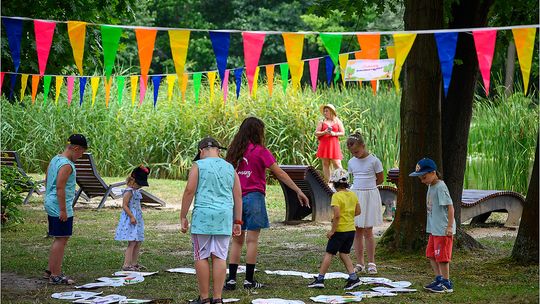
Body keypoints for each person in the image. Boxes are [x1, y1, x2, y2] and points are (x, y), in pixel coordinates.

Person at [224, 117, 310, 290]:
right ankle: (249, 280)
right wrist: (298, 190)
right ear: (258, 132)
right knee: (252, 241)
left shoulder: (233, 151)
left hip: (235, 199)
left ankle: (231, 280)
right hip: (255, 198)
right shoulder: (261, 151)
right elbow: (280, 173)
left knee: (237, 241)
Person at [180, 136, 243, 304]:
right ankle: (218, 298)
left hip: (203, 218)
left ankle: (204, 298)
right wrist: (238, 221)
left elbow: (189, 191)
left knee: (201, 256)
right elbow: (238, 195)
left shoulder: (198, 165)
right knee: (220, 257)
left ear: (201, 151)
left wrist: (183, 216)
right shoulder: (230, 167)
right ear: (218, 150)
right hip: (224, 218)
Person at [43, 134, 88, 284]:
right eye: (81, 152)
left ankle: (50, 269)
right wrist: (63, 210)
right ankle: (55, 275)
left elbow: (47, 178)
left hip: (51, 202)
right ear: (75, 148)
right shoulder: (67, 165)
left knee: (60, 237)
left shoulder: (55, 159)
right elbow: (60, 188)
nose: (81, 156)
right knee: (61, 239)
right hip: (59, 206)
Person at [308, 168, 361, 290]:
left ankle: (320, 279)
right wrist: (348, 215)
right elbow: (358, 211)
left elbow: (336, 215)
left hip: (340, 231)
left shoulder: (336, 196)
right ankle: (353, 278)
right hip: (351, 230)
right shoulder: (352, 195)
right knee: (344, 254)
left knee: (329, 253)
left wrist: (332, 230)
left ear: (335, 182)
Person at [409, 158, 455, 293]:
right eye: (420, 179)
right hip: (434, 229)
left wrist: (449, 227)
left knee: (442, 257)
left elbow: (450, 207)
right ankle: (439, 279)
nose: (422, 181)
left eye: (424, 177)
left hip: (442, 229)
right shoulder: (431, 186)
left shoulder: (440, 187)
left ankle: (446, 283)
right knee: (431, 254)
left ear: (433, 172)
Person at [346, 132, 383, 275]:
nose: (355, 154)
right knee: (357, 231)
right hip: (356, 195)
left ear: (363, 145)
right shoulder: (351, 162)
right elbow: (353, 178)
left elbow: (379, 179)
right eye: (352, 152)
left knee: (368, 230)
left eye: (357, 151)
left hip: (370, 195)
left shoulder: (374, 161)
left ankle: (371, 262)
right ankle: (360, 262)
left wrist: (368, 188)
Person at [114, 165, 151, 271]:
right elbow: (124, 205)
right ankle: (126, 265)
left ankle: (134, 263)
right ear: (133, 181)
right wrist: (131, 216)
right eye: (139, 184)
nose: (140, 186)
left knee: (138, 241)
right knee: (132, 242)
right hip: (131, 219)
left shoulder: (136, 191)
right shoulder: (128, 191)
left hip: (137, 219)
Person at [315, 104, 345, 182]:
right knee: (325, 163)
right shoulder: (322, 121)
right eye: (324, 111)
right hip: (324, 144)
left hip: (334, 145)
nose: (325, 113)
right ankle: (328, 183)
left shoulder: (337, 121)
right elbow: (316, 133)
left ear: (331, 112)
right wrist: (324, 132)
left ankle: (343, 181)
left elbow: (342, 133)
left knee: (337, 163)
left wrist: (334, 133)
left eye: (326, 111)